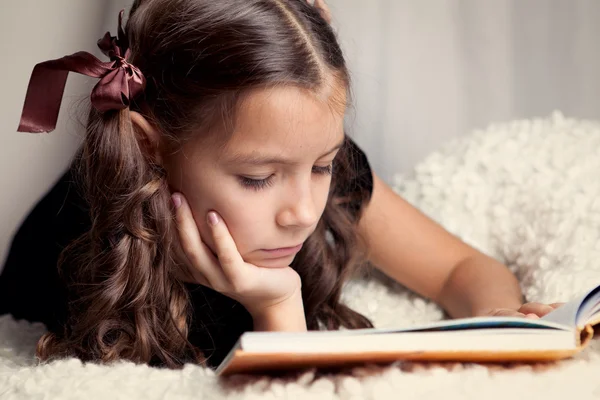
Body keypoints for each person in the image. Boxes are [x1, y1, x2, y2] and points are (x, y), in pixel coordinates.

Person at [0, 0, 562, 369]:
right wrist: (278, 306)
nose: (302, 210)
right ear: (153, 149)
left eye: (323, 165)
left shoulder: (304, 165)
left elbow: (463, 269)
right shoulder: (85, 254)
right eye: (258, 178)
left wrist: (502, 324)